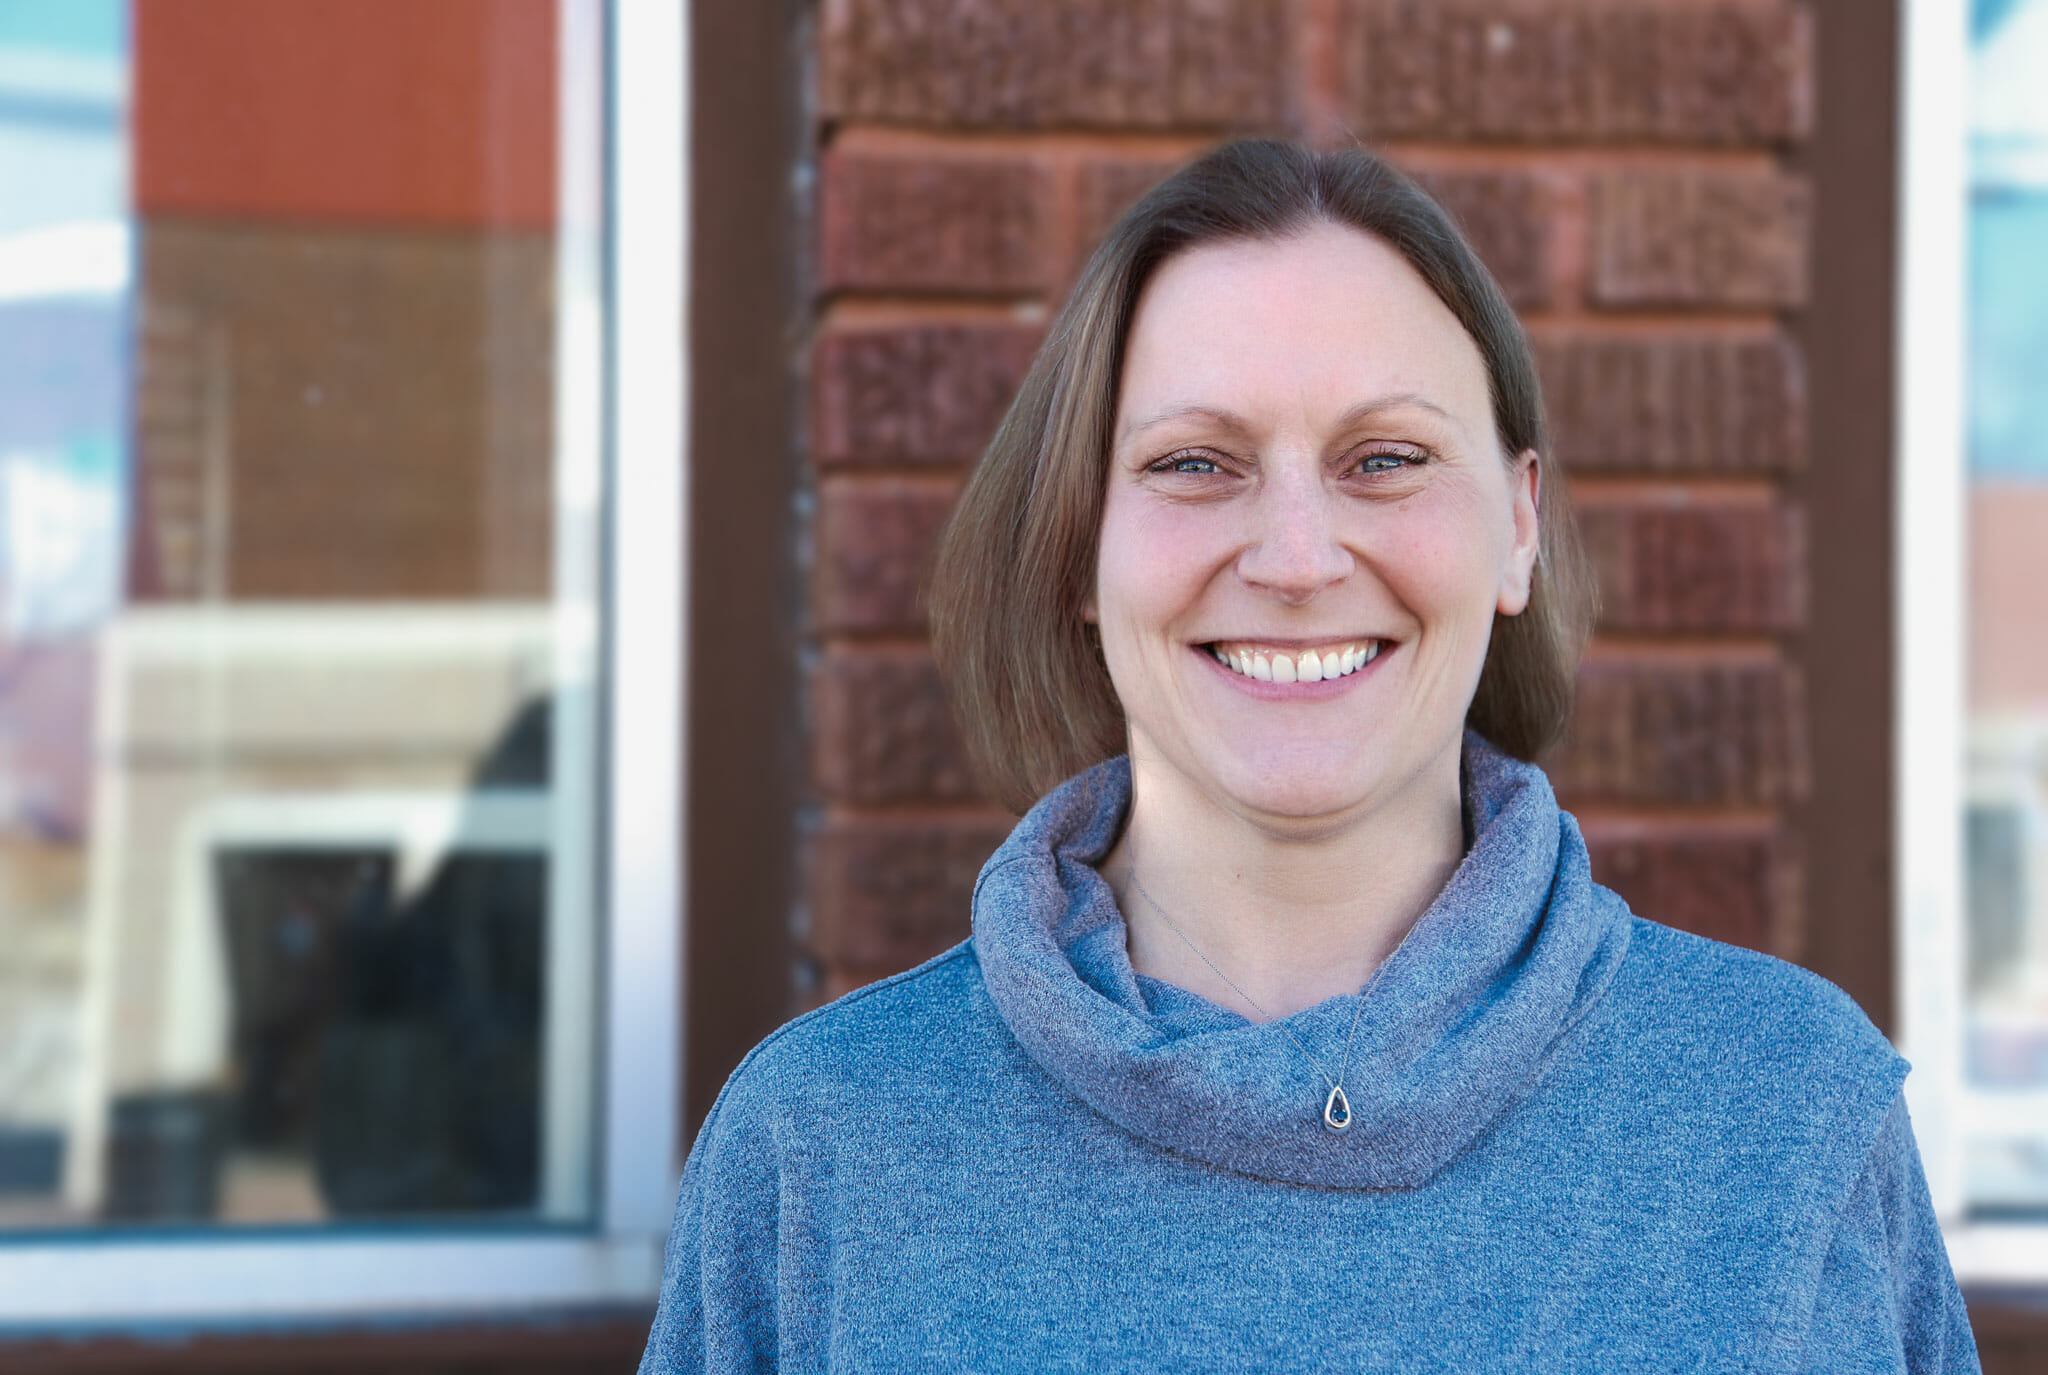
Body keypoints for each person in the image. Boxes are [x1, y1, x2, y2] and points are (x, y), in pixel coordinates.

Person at [638, 140, 1980, 1372]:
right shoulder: (824, 1150)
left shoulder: (1786, 1118)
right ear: (1079, 550)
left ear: (1517, 527)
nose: (1292, 557)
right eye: (1193, 464)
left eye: (1385, 458)